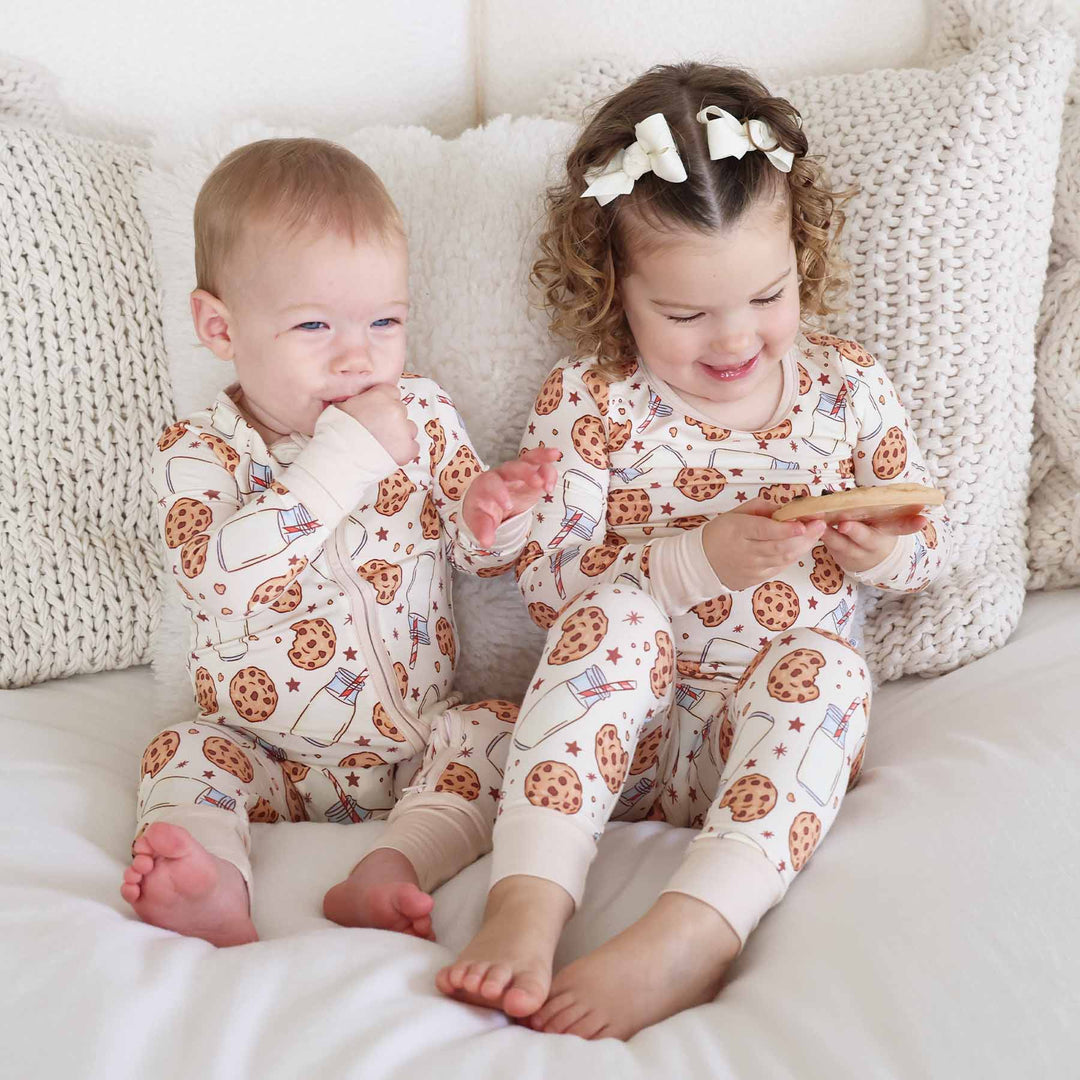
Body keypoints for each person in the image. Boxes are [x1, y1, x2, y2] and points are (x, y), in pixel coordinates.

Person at [438, 62, 951, 1039]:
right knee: (616, 615)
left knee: (832, 674)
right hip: (613, 748)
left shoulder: (848, 396)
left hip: (754, 751)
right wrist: (695, 560)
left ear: (801, 255)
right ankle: (529, 900)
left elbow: (922, 553)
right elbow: (551, 591)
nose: (734, 340)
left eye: (767, 295)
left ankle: (694, 931)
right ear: (613, 286)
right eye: (684, 315)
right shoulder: (591, 404)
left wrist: (881, 552)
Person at [121, 138, 558, 947]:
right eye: (315, 324)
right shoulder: (200, 453)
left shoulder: (421, 414)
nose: (358, 355)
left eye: (384, 321)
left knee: (507, 732)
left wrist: (495, 511)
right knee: (180, 754)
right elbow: (220, 585)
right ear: (220, 326)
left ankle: (396, 864)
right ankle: (210, 877)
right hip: (263, 752)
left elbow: (478, 553)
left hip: (418, 744)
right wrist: (347, 454)